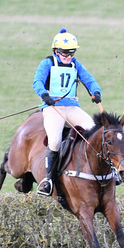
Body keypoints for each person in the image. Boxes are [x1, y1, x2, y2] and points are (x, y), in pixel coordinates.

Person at [32, 29, 102, 196]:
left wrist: (96, 92)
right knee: (55, 142)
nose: (69, 56)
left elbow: (89, 79)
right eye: (65, 53)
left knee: (95, 132)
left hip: (72, 107)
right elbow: (37, 82)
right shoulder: (47, 63)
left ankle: (104, 172)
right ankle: (48, 180)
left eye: (72, 52)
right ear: (56, 51)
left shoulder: (75, 64)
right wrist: (44, 95)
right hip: (52, 108)